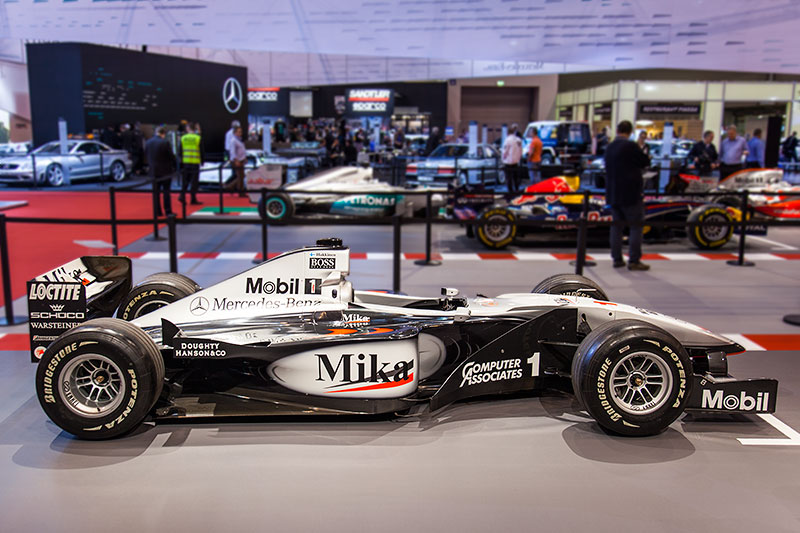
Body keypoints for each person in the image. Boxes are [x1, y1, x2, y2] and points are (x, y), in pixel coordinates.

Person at [604, 120, 652, 271]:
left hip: (613, 193)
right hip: (630, 193)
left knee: (617, 227)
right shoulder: (631, 146)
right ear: (630, 132)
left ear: (617, 130)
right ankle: (634, 260)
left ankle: (617, 259)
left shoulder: (609, 147)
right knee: (636, 226)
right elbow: (645, 162)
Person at [144, 127, 176, 217]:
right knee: (166, 192)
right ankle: (168, 211)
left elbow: (146, 154)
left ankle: (157, 211)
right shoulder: (165, 142)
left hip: (153, 171)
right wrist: (174, 165)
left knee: (156, 192)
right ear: (163, 133)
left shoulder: (148, 142)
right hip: (165, 171)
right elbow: (171, 156)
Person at [178, 122, 203, 205]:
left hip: (186, 162)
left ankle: (182, 196)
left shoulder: (183, 138)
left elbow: (180, 151)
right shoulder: (198, 138)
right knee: (194, 182)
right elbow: (202, 151)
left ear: (188, 128)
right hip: (195, 162)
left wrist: (180, 162)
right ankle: (193, 199)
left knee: (185, 181)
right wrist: (203, 161)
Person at [502, 124, 523, 192]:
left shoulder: (507, 140)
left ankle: (510, 192)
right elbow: (521, 151)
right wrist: (518, 158)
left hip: (508, 162)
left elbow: (505, 151)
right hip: (516, 162)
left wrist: (503, 158)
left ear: (508, 133)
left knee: (508, 178)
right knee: (516, 178)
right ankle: (517, 190)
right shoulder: (518, 140)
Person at [229, 125, 247, 196]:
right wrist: (236, 160)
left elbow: (242, 150)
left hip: (241, 159)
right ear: (235, 133)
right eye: (239, 132)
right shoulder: (233, 141)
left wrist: (244, 158)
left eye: (241, 132)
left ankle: (230, 187)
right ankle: (240, 192)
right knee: (240, 176)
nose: (240, 133)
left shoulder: (239, 140)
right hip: (237, 160)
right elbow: (232, 152)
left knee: (241, 176)